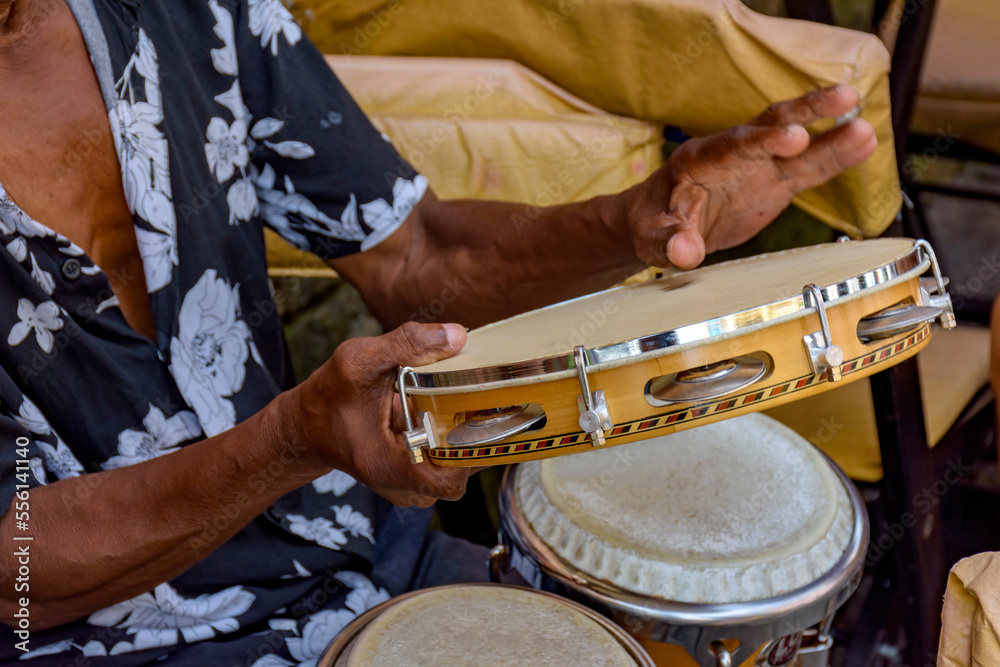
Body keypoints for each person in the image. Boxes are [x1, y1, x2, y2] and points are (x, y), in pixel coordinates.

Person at [0, 0, 877, 663]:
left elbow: (414, 253)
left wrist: (636, 222)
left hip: (343, 547)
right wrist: (291, 441)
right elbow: (17, 569)